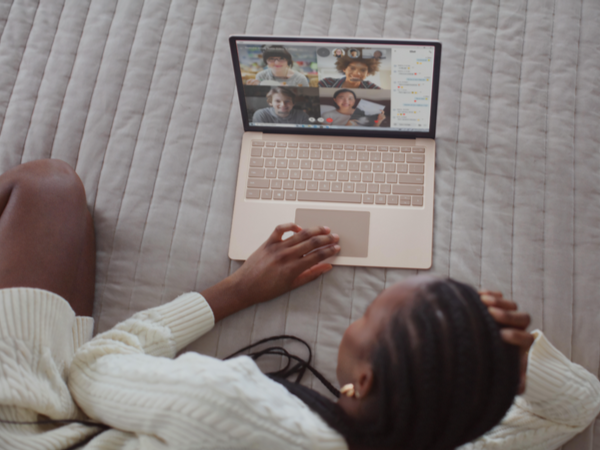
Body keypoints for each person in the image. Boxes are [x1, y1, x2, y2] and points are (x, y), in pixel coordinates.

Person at [1, 159, 600, 449]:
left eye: (368, 317)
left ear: (362, 382)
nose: (355, 315)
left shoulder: (230, 404)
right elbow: (578, 406)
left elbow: (91, 372)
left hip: (31, 432)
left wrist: (234, 292)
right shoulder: (435, 433)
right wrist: (501, 372)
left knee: (49, 187)